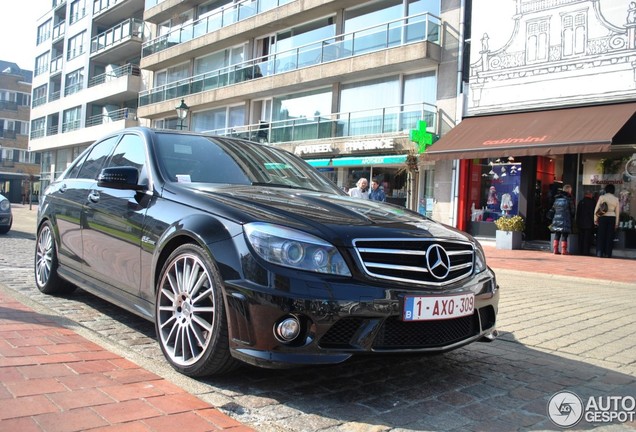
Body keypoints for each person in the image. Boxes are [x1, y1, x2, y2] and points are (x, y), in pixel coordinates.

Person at [594, 184, 621, 258]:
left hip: (603, 217)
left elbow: (596, 209)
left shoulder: (602, 197)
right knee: (609, 237)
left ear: (606, 190)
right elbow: (617, 212)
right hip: (612, 217)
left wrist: (595, 219)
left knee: (601, 236)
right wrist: (616, 223)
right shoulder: (616, 199)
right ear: (613, 190)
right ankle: (608, 254)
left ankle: (599, 253)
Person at [549, 184, 575, 255]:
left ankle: (555, 249)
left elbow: (553, 209)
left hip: (556, 218)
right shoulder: (569, 198)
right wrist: (572, 216)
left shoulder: (557, 198)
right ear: (569, 190)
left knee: (557, 233)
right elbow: (572, 210)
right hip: (565, 218)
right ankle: (564, 250)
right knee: (564, 234)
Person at [576, 191, 596, 255]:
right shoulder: (592, 202)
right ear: (589, 195)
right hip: (589, 223)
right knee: (587, 238)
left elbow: (578, 213)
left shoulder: (581, 202)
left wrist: (577, 222)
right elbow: (593, 213)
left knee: (581, 238)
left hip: (580, 223)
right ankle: (586, 252)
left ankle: (580, 251)